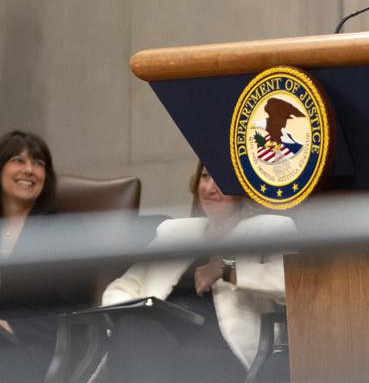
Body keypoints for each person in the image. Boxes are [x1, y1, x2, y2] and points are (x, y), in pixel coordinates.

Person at [102, 162, 296, 383]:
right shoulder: (174, 232)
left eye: (220, 181)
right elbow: (122, 287)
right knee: (131, 331)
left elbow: (291, 286)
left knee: (188, 359)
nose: (209, 188)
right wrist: (140, 309)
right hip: (161, 333)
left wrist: (227, 269)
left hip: (220, 342)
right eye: (204, 177)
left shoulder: (270, 229)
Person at [0, 130, 95, 382]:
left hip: (33, 347)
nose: (29, 169)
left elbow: (75, 310)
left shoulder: (65, 231)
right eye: (18, 160)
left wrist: (12, 327)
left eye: (38, 163)